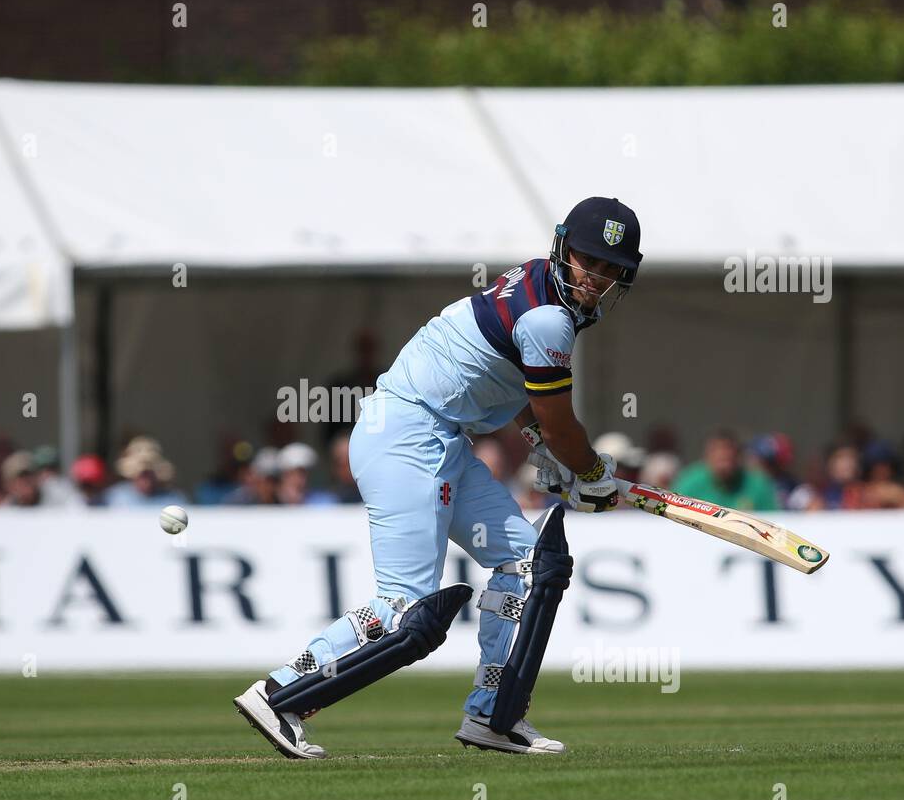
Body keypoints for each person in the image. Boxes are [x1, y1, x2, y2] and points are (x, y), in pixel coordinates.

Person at [233, 197, 643, 758]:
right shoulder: (548, 317)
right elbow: (555, 414)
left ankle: (493, 716)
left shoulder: (537, 287)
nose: (595, 279)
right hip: (406, 436)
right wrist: (590, 472)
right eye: (586, 261)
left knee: (530, 565)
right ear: (563, 248)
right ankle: (281, 693)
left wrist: (541, 450)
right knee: (408, 614)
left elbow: (514, 389)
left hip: (441, 438)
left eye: (609, 269)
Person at [673, 431, 778, 512]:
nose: (724, 457)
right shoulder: (690, 482)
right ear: (707, 456)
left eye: (728, 454)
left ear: (738, 456)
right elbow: (671, 511)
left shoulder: (757, 484)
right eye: (718, 455)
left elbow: (774, 519)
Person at [105, 436, 183, 508]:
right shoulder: (114, 497)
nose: (146, 478)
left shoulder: (173, 500)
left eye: (149, 473)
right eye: (142, 474)